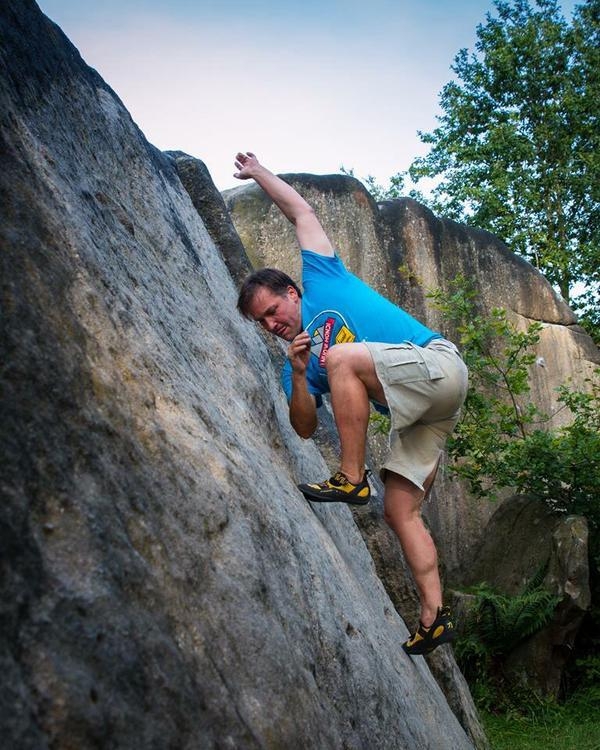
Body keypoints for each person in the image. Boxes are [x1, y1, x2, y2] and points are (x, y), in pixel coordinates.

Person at [233, 151, 468, 656]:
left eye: (274, 310)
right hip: (424, 409)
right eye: (263, 323)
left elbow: (302, 214)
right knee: (401, 509)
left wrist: (259, 174)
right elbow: (301, 425)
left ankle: (351, 477)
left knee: (340, 357)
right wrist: (298, 374)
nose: (273, 325)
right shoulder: (299, 361)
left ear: (293, 293)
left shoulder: (323, 279)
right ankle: (434, 618)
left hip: (438, 365)